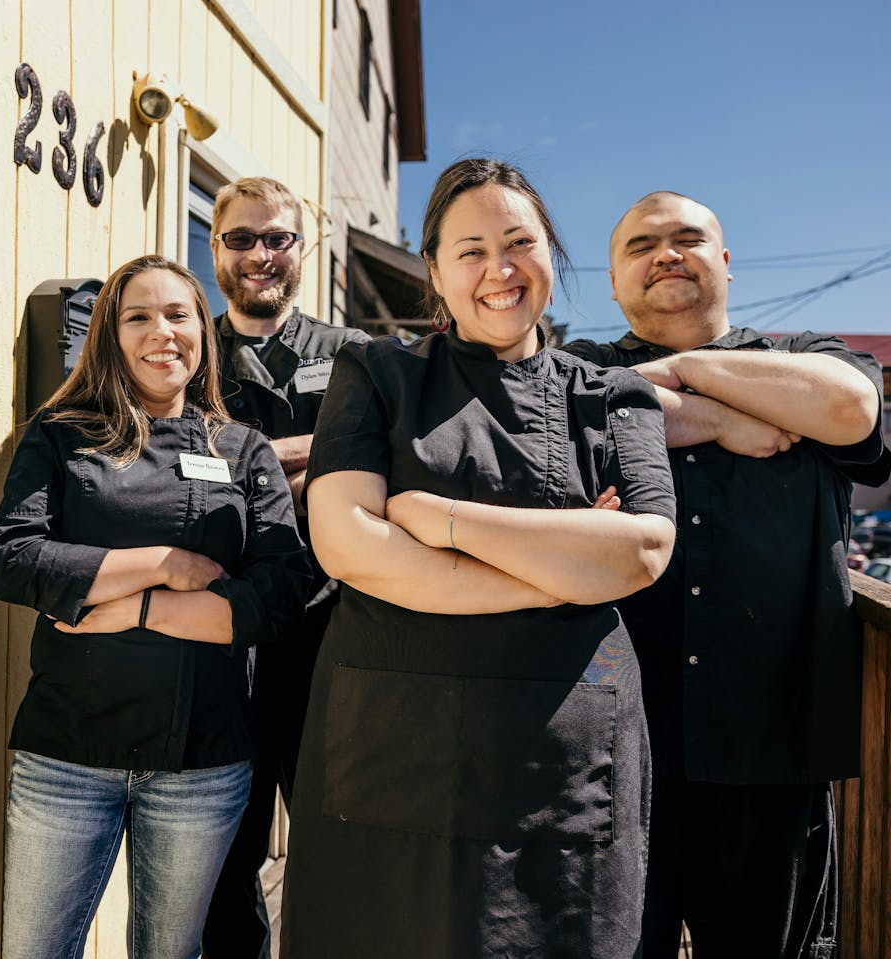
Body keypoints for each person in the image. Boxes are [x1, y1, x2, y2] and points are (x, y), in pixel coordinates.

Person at [278, 159, 678, 959]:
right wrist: (561, 566)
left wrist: (436, 519)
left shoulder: (612, 394)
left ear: (550, 255)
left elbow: (641, 550)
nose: (499, 270)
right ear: (433, 270)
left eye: (519, 242)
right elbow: (345, 540)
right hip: (391, 754)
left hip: (560, 771)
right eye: (470, 250)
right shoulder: (377, 372)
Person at [562, 191, 891, 958]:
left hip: (770, 749)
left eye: (687, 239)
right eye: (642, 245)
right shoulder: (573, 375)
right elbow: (560, 434)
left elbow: (854, 410)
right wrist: (720, 416)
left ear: (727, 265)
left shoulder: (808, 358)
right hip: (606, 756)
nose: (666, 254)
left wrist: (678, 372)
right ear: (613, 280)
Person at [0, 254, 312, 959]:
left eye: (178, 314)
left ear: (204, 330)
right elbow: (16, 559)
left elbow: (280, 593)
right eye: (138, 316)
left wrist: (134, 609)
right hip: (65, 756)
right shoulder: (61, 433)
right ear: (110, 334)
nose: (161, 331)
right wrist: (168, 567)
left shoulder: (242, 449)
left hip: (200, 761)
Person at [200, 176, 370, 958]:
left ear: (304, 249)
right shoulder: (186, 348)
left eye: (277, 238)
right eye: (242, 238)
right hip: (214, 636)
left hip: (330, 634)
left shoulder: (354, 358)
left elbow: (377, 465)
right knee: (223, 856)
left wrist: (237, 459)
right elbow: (166, 469)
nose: (260, 254)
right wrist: (307, 460)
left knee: (339, 846)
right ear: (216, 248)